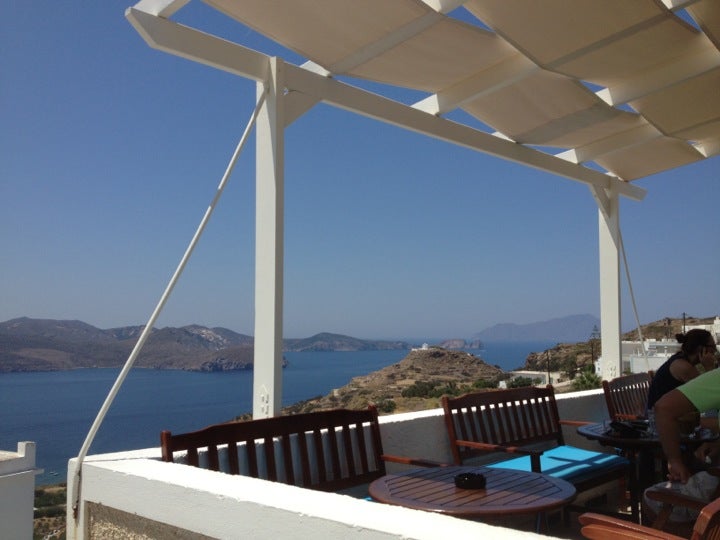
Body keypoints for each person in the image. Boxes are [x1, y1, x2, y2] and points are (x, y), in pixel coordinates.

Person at [644, 336, 720, 524]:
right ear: (702, 350)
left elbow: (665, 408)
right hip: (664, 427)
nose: (716, 352)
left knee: (649, 495)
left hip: (714, 504)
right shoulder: (682, 366)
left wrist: (675, 461)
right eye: (713, 348)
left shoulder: (705, 374)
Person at [646, 329, 717, 411]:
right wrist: (709, 367)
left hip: (670, 411)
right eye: (712, 346)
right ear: (700, 348)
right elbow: (707, 394)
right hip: (659, 416)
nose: (715, 350)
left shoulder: (684, 359)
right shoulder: (683, 366)